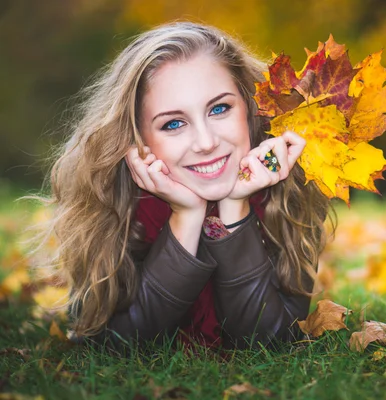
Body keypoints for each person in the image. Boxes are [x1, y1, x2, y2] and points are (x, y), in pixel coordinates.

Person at [39, 21, 334, 349]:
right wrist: (186, 216)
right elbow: (114, 343)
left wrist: (236, 209)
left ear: (249, 108)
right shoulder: (110, 203)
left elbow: (272, 341)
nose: (206, 142)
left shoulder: (288, 189)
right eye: (174, 124)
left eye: (219, 109)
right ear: (137, 139)